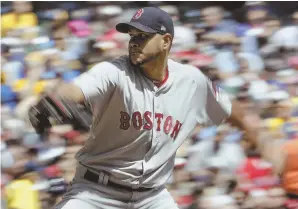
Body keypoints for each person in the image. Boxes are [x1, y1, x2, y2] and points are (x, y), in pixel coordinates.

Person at [29, 7, 256, 209]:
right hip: (95, 193)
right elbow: (74, 90)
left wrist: (261, 139)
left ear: (166, 41)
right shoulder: (114, 71)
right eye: (132, 36)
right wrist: (57, 97)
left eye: (143, 36)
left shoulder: (191, 81)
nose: (134, 42)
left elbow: (234, 111)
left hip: (152, 197)